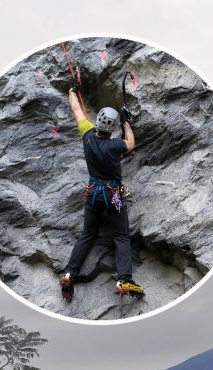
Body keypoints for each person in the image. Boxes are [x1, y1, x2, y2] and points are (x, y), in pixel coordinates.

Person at [60, 82, 142, 301]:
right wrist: (126, 123)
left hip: (93, 192)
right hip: (112, 195)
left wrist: (72, 90)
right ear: (112, 127)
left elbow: (76, 109)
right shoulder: (115, 145)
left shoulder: (86, 134)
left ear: (97, 122)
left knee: (88, 234)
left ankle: (69, 272)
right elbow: (131, 143)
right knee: (121, 235)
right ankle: (125, 278)